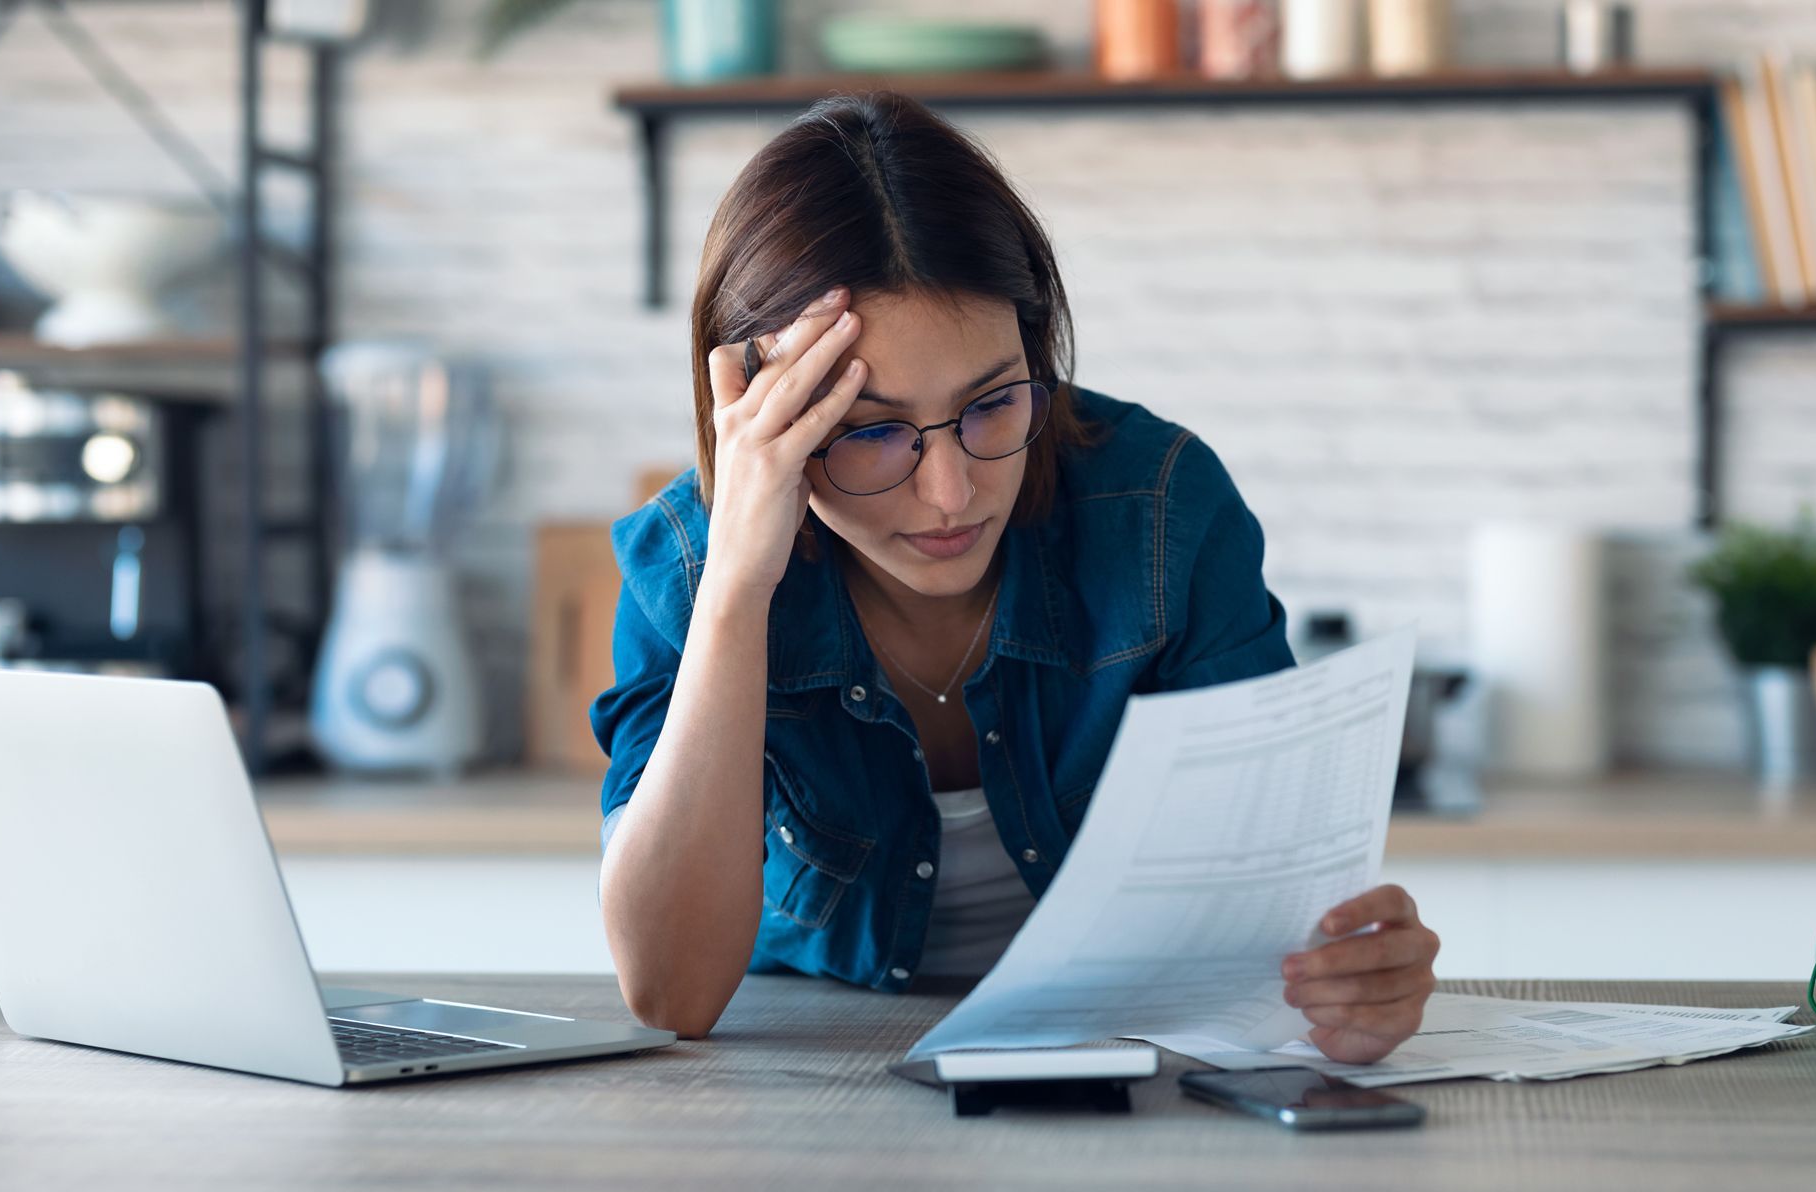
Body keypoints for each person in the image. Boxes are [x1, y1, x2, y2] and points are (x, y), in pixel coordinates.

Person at [590, 90, 1438, 1058]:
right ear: (764, 416)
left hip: (1127, 1062)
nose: (952, 492)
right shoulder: (690, 561)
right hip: (815, 1064)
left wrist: (1353, 982)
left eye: (992, 404)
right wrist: (740, 583)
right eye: (871, 431)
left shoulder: (1160, 510)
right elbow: (670, 992)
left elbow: (1273, 927)